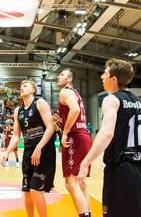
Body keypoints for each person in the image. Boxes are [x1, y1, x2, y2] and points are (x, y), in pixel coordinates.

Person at [78, 59, 141, 217]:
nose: (102, 77)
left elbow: (107, 133)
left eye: (105, 73)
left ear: (113, 79)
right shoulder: (140, 102)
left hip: (123, 174)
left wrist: (86, 161)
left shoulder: (111, 99)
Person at [1, 80, 57, 217]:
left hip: (44, 150)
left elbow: (50, 127)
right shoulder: (17, 111)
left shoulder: (40, 103)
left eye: (25, 86)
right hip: (28, 151)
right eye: (20, 87)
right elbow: (15, 136)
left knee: (35, 189)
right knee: (26, 191)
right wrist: (6, 152)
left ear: (33, 90)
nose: (21, 88)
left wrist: (39, 147)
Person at [57, 68, 92, 217]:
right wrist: (60, 121)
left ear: (69, 79)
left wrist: (64, 133)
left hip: (75, 137)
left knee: (71, 183)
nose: (58, 77)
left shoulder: (65, 92)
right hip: (83, 136)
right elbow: (74, 113)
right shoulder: (75, 93)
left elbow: (75, 110)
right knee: (80, 183)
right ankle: (87, 213)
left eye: (62, 75)